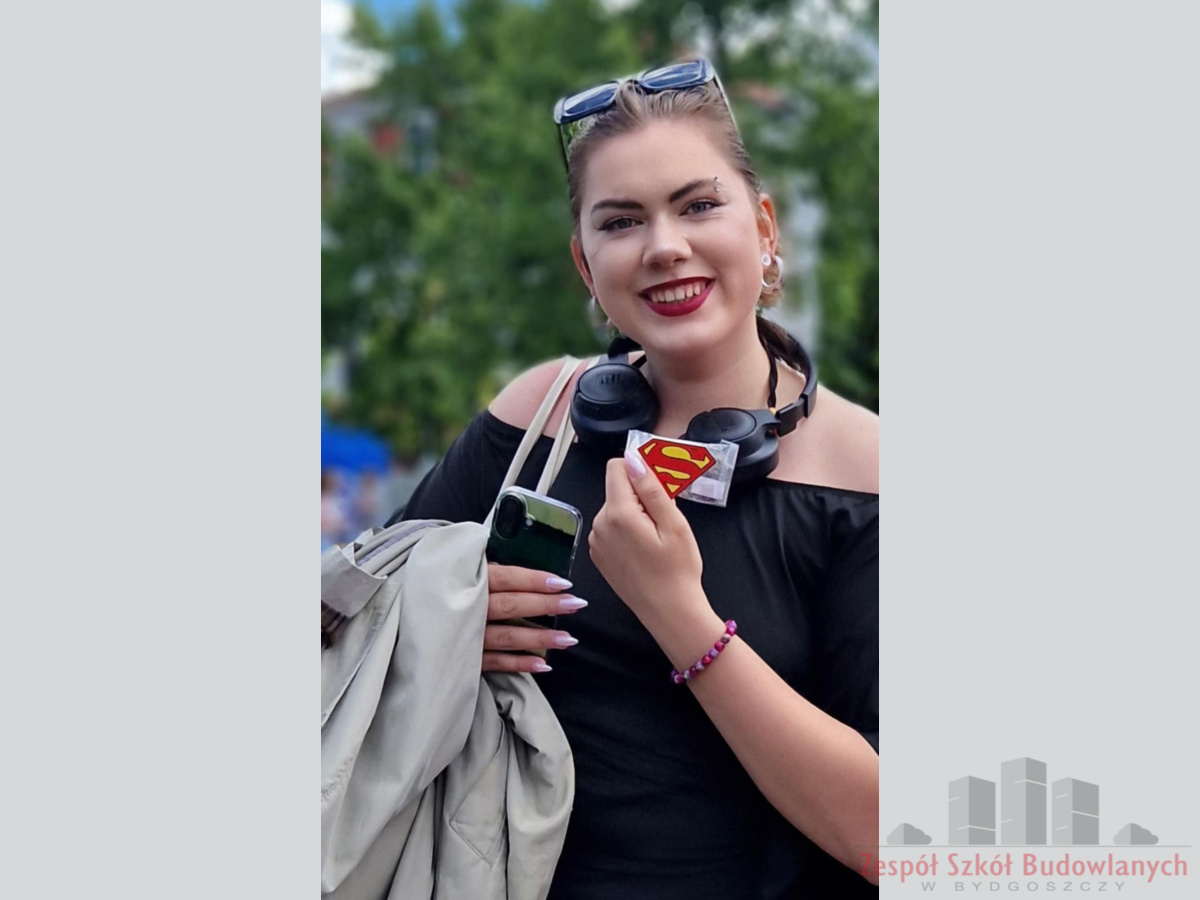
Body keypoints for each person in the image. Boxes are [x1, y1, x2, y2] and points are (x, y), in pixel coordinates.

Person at [387, 59, 878, 898]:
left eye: (698, 205)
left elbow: (885, 834)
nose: (664, 247)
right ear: (586, 267)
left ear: (764, 229)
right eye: (621, 221)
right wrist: (446, 610)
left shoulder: (869, 472)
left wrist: (681, 617)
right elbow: (354, 619)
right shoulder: (536, 419)